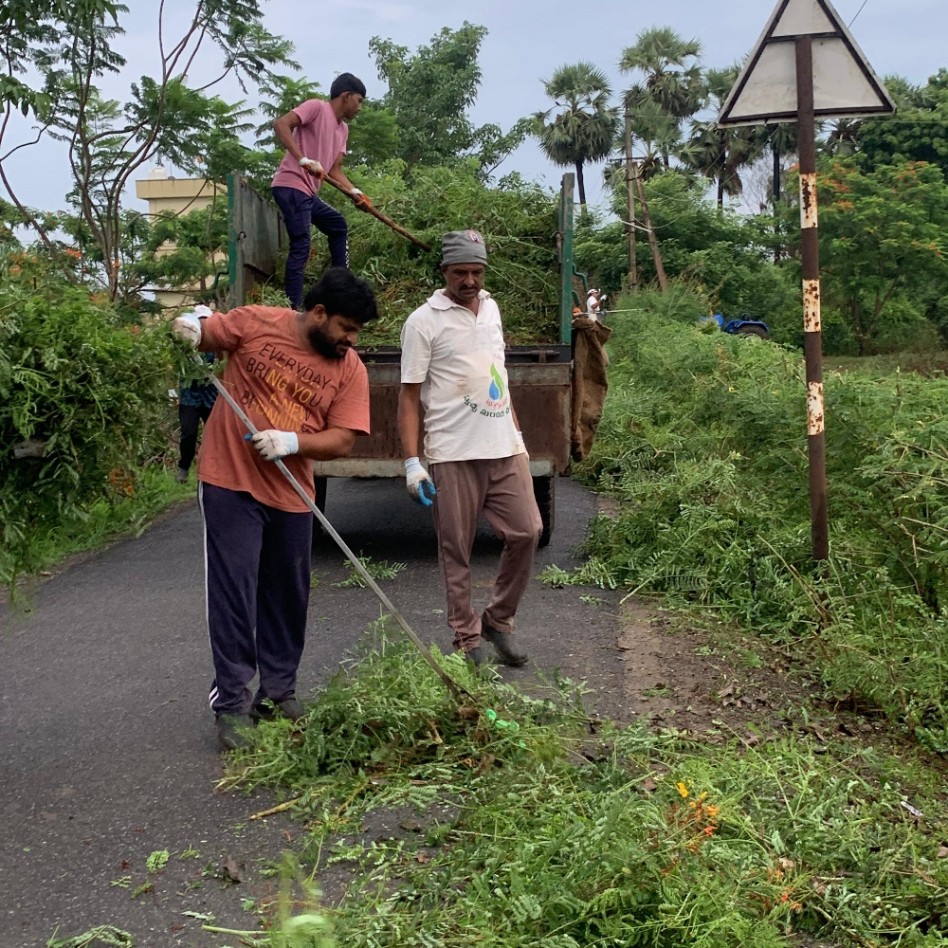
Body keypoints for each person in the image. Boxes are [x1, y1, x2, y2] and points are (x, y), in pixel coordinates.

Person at [171, 267, 379, 751]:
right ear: (319, 313)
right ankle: (232, 704)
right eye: (346, 328)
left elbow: (343, 439)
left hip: (292, 491)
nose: (351, 340)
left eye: (356, 332)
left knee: (288, 595)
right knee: (235, 594)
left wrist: (293, 441)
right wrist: (190, 326)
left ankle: (278, 692)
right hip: (229, 482)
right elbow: (204, 332)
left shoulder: (350, 369)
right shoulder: (257, 323)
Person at [397, 231, 542, 668]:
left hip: (504, 447)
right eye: (460, 272)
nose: (470, 281)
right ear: (444, 272)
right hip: (453, 452)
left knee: (527, 532)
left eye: (477, 272)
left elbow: (498, 375)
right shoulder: (423, 322)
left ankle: (499, 619)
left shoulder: (492, 309)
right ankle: (466, 637)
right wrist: (412, 463)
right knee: (456, 549)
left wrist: (517, 436)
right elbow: (409, 396)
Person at [271, 73, 373, 309]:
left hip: (307, 193)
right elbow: (281, 124)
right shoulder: (317, 107)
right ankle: (293, 309)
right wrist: (303, 159)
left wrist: (355, 193)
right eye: (359, 101)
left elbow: (335, 170)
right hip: (291, 185)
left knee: (338, 225)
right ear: (346, 96)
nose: (360, 108)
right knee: (301, 245)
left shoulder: (343, 130)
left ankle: (342, 290)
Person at [175, 304, 218, 483]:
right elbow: (176, 367)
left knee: (215, 435)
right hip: (190, 396)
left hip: (211, 396)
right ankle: (184, 467)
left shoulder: (217, 344)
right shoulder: (184, 343)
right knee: (189, 433)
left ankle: (212, 471)